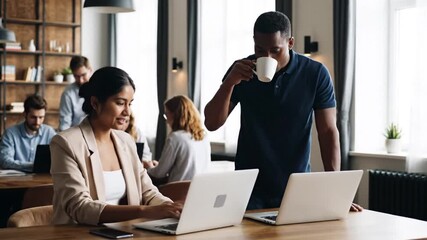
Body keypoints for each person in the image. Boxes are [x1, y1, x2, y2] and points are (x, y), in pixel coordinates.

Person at [204, 11, 362, 211]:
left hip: (295, 186)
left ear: (290, 43)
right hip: (248, 187)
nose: (266, 57)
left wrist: (335, 192)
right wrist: (229, 84)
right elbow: (211, 123)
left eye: (274, 50)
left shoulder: (315, 74)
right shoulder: (240, 71)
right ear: (253, 42)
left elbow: (328, 131)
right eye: (259, 50)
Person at [50, 67, 182, 225]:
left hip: (125, 233)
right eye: (120, 103)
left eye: (130, 104)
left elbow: (148, 192)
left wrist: (172, 208)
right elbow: (80, 207)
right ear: (95, 103)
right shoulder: (66, 143)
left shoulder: (126, 141)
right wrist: (143, 211)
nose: (127, 112)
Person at [144, 95, 210, 184]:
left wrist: (149, 167)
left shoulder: (175, 138)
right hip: (198, 189)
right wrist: (159, 166)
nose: (166, 121)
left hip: (177, 191)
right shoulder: (204, 136)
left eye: (167, 115)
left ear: (175, 115)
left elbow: (159, 174)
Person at [0, 95, 56, 172]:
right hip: (17, 181)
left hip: (42, 179)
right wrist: (33, 166)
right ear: (25, 114)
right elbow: (5, 161)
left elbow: (58, 158)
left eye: (41, 117)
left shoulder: (49, 132)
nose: (37, 122)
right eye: (33, 117)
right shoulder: (10, 134)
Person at [58, 56, 92, 131]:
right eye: (76, 76)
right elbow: (65, 123)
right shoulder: (68, 93)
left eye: (83, 75)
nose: (81, 80)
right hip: (77, 135)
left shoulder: (100, 89)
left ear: (90, 70)